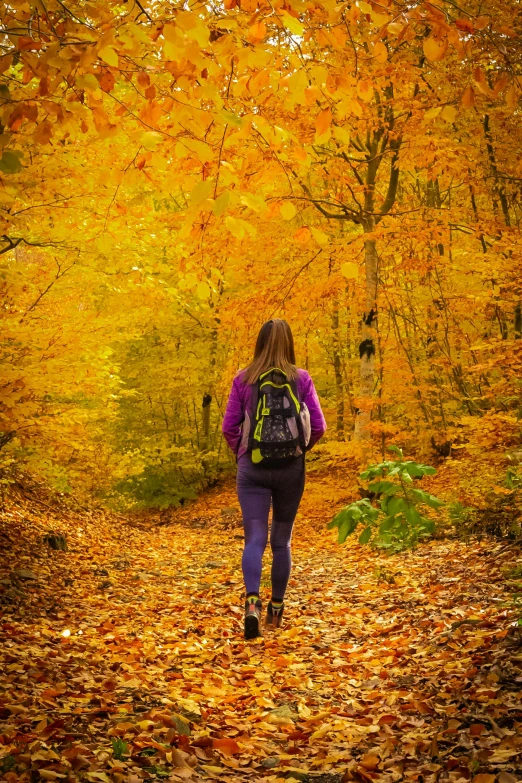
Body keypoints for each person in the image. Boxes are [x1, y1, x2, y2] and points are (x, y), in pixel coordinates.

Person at [222, 319, 327, 639]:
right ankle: (276, 610)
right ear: (290, 343)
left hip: (252, 469)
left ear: (259, 342)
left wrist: (243, 453)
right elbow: (319, 426)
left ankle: (251, 603)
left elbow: (229, 427)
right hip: (290, 471)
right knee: (281, 542)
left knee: (255, 538)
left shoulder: (243, 378)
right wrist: (298, 450)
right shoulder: (302, 378)